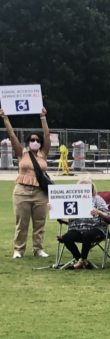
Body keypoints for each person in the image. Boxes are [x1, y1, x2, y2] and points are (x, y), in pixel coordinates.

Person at [2, 106, 51, 258]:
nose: (34, 142)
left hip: (39, 192)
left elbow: (47, 134)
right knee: (21, 223)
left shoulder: (43, 154)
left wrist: (43, 117)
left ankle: (38, 249)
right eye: (32, 140)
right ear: (28, 142)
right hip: (22, 191)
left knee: (39, 223)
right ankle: (18, 250)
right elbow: (12, 136)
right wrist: (5, 118)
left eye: (37, 140)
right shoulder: (22, 153)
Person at [55, 177, 110, 269]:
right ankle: (82, 260)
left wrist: (98, 212)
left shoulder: (97, 199)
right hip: (77, 228)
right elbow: (62, 211)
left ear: (92, 187)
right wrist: (53, 207)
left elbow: (108, 214)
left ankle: (79, 263)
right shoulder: (72, 198)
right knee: (67, 237)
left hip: (96, 228)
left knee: (87, 235)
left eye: (87, 186)